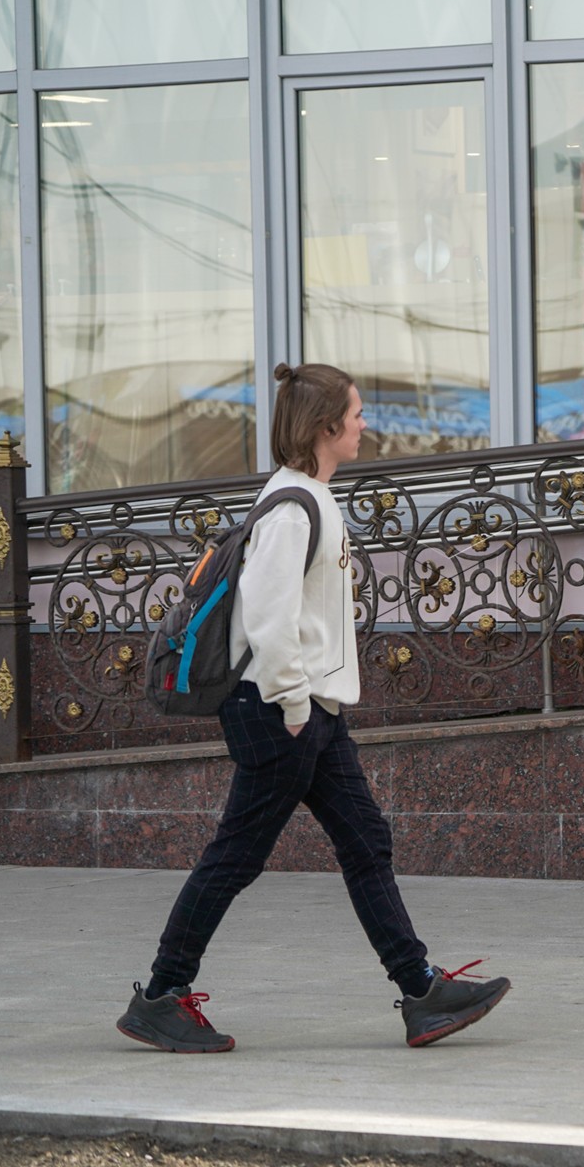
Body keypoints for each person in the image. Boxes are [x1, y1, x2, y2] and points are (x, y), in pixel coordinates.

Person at [116, 362, 509, 1053]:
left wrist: (310, 707)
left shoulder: (307, 498)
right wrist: (296, 707)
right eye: (356, 414)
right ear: (326, 426)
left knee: (365, 842)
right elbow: (270, 621)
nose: (364, 424)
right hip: (279, 709)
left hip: (309, 709)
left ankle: (421, 992)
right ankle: (160, 996)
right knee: (235, 857)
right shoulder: (294, 507)